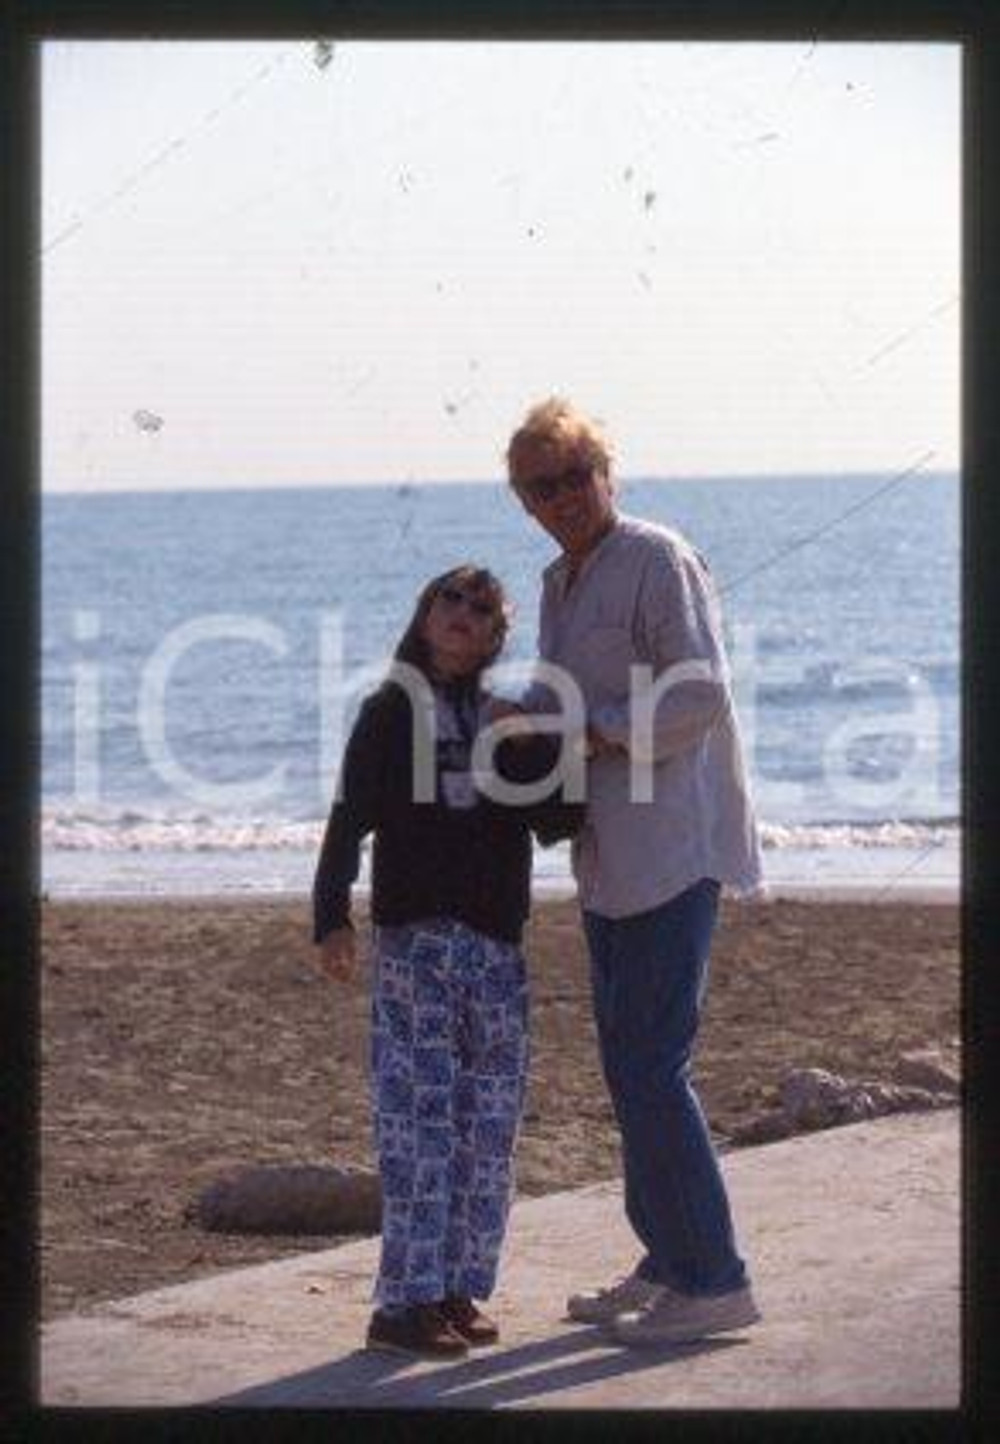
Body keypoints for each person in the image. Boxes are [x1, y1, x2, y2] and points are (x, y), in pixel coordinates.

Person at [504, 397, 764, 1347]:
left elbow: (698, 692)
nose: (567, 495)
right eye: (546, 484)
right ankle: (667, 1262)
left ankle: (714, 1279)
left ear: (608, 472)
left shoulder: (657, 557)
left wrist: (587, 730)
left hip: (674, 848)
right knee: (630, 1072)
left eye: (579, 474)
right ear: (524, 502)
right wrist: (510, 712)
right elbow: (562, 690)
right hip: (607, 854)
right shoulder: (558, 581)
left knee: (653, 1068)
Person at [312, 564, 583, 1359]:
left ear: (499, 635)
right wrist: (331, 915)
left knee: (487, 1124)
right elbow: (347, 817)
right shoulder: (391, 711)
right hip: (415, 941)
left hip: (497, 943)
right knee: (418, 1121)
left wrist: (531, 738)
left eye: (484, 610)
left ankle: (456, 1289)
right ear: (426, 617)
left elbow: (560, 820)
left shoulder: (504, 713)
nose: (465, 615)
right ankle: (401, 1304)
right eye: (451, 601)